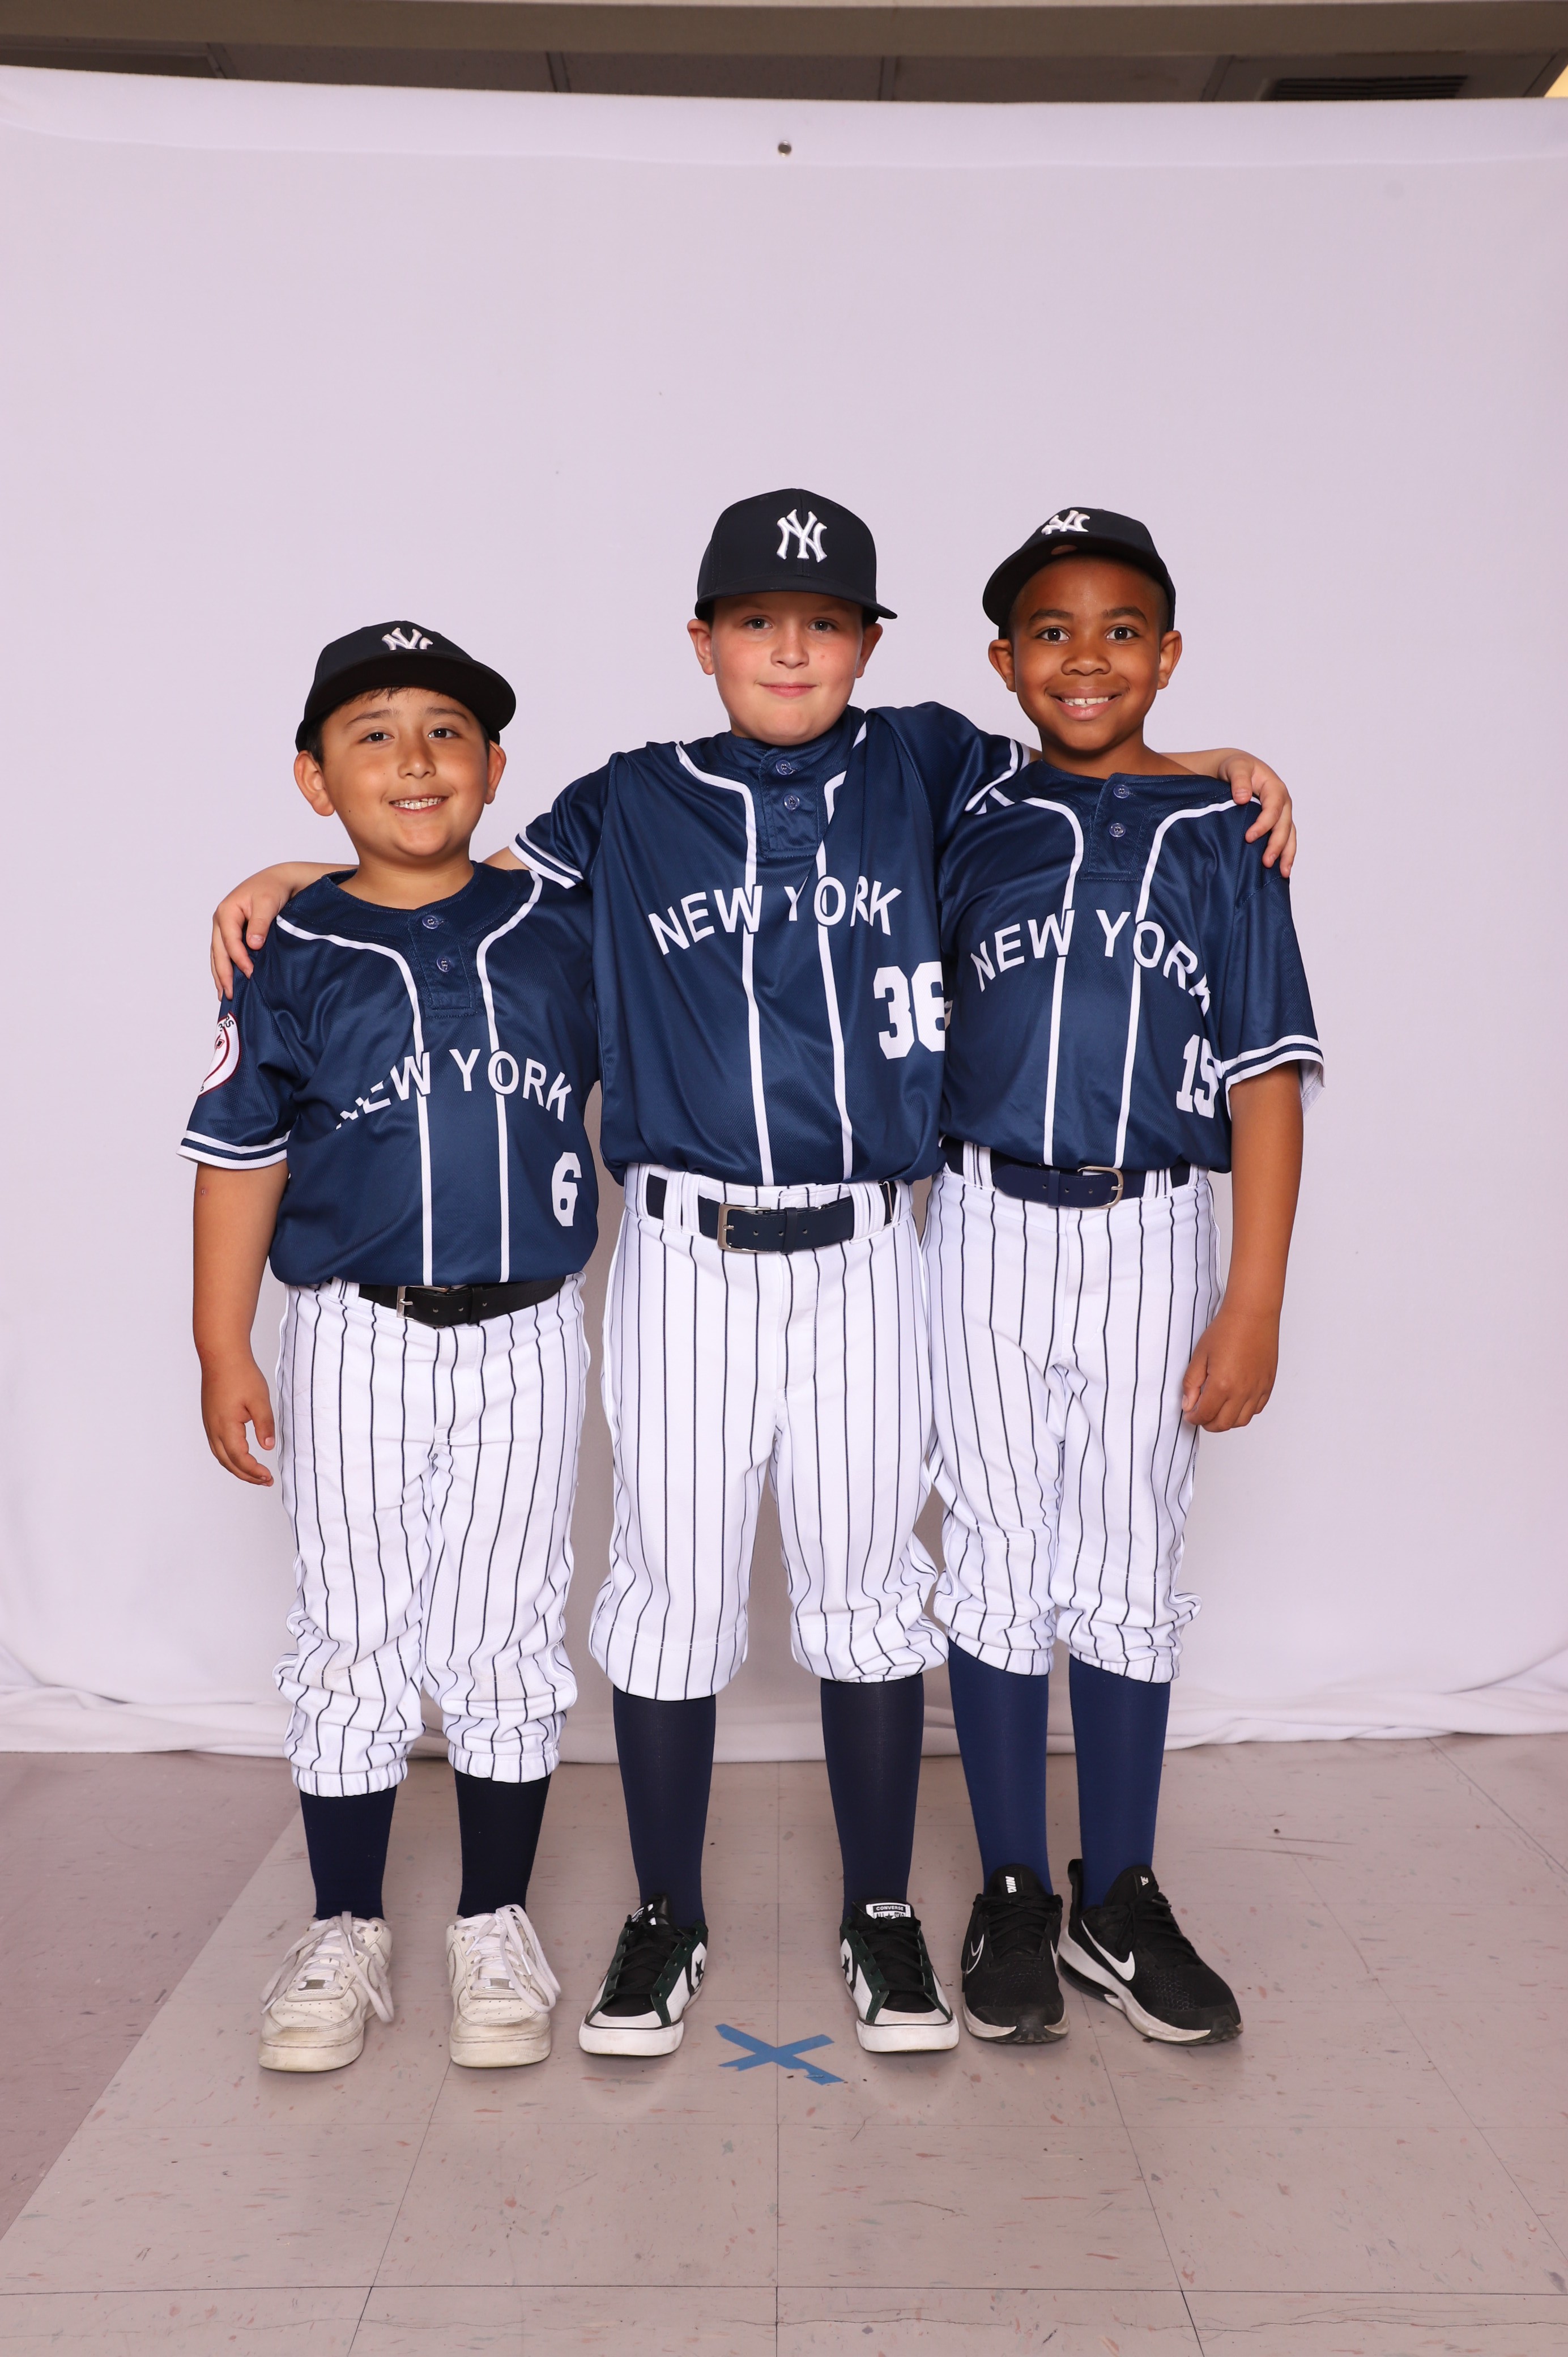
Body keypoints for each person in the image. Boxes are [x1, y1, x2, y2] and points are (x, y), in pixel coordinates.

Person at [208, 495, 1296, 2061]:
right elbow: (448, 878)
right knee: (670, 1587)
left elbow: (1090, 766)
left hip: (870, 1248)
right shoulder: (629, 800)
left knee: (869, 1584)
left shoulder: (930, 762)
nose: (791, 647)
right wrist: (302, 871)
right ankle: (666, 1911)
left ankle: (881, 1909)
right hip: (683, 1250)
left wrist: (1214, 764)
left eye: (824, 621)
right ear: (704, 639)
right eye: (757, 620)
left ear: (869, 642)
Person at [929, 508, 1320, 2048]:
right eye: (1051, 631)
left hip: (1154, 1227)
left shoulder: (1226, 833)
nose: (1084, 658)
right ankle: (1014, 1886)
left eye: (1118, 632)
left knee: (1127, 1556)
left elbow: (1266, 1079)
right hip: (981, 1218)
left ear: (1166, 654)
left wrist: (1255, 1299)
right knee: (995, 1548)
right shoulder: (964, 807)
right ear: (1002, 659)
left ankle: (1122, 1893)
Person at [186, 623, 598, 2074]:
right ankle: (345, 1923)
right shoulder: (285, 948)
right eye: (372, 735)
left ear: (495, 764)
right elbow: (241, 1155)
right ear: (316, 778)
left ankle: (494, 1918)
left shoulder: (560, 919)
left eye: (445, 732)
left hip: (528, 1330)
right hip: (354, 1331)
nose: (414, 759)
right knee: (352, 1632)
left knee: (503, 1630)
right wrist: (221, 1343)